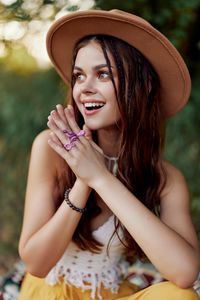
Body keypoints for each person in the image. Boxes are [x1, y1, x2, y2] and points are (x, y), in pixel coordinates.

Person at [18, 9, 200, 300]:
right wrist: (83, 180)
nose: (84, 89)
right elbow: (36, 263)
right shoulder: (50, 148)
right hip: (49, 293)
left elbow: (185, 272)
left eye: (103, 74)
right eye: (79, 76)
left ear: (144, 86)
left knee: (182, 296)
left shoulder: (166, 178)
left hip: (109, 294)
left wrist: (101, 177)